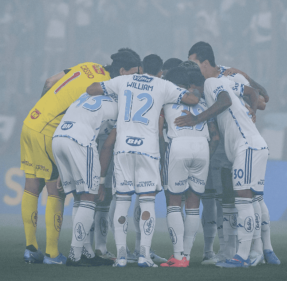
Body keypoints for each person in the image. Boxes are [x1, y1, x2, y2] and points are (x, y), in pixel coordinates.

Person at [20, 48, 140, 265]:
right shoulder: (105, 88)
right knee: (55, 189)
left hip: (32, 120)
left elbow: (49, 82)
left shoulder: (89, 66)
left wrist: (43, 108)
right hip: (51, 129)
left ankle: (30, 249)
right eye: (132, 74)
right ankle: (52, 254)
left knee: (31, 185)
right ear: (121, 71)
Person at [87, 54, 199, 267]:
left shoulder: (123, 80)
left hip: (123, 148)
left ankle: (120, 256)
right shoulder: (163, 84)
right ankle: (143, 255)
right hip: (147, 150)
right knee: (147, 201)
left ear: (140, 68)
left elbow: (92, 89)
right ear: (160, 72)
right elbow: (193, 99)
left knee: (122, 201)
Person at [177, 42, 274, 268]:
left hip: (245, 145)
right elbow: (251, 93)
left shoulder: (215, 80)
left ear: (205, 62)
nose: (193, 69)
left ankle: (249, 253)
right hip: (242, 147)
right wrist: (250, 110)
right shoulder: (220, 82)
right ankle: (244, 253)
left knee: (244, 201)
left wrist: (196, 120)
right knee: (244, 200)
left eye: (194, 64)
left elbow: (238, 100)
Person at [159, 62, 220, 267]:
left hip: (179, 146)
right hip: (203, 147)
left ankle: (177, 256)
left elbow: (159, 130)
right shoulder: (202, 102)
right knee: (194, 204)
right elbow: (216, 136)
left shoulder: (166, 99)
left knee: (174, 202)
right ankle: (186, 255)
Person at [52, 91, 119, 267]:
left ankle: (87, 252)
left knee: (79, 198)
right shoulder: (122, 104)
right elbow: (107, 146)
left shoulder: (85, 95)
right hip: (80, 141)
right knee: (90, 197)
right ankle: (75, 256)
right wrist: (102, 182)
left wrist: (64, 170)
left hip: (59, 138)